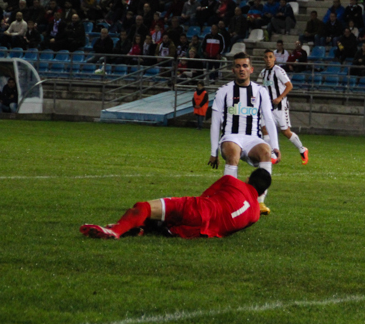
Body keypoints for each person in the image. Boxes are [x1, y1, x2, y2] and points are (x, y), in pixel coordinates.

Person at [80, 167, 271, 240]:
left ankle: (116, 231)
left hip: (199, 210)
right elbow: (229, 229)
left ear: (248, 178)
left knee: (144, 207)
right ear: (263, 193)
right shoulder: (255, 216)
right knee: (166, 224)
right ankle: (141, 229)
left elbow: (204, 196)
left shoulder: (231, 181)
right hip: (198, 233)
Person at [208, 53, 280, 215]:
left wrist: (275, 146)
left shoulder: (260, 91)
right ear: (233, 70)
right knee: (233, 154)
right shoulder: (223, 92)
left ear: (251, 69)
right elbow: (215, 123)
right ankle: (229, 201)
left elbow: (269, 120)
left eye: (245, 66)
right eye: (238, 66)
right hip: (230, 136)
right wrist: (214, 152)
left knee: (266, 152)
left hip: (252, 138)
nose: (242, 69)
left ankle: (259, 202)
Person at [259, 49, 310, 166]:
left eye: (270, 57)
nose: (268, 59)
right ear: (263, 59)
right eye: (266, 57)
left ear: (274, 58)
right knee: (265, 129)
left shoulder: (278, 71)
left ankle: (302, 149)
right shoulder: (263, 73)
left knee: (285, 131)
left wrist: (280, 98)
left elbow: (289, 85)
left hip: (280, 106)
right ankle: (272, 155)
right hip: (268, 107)